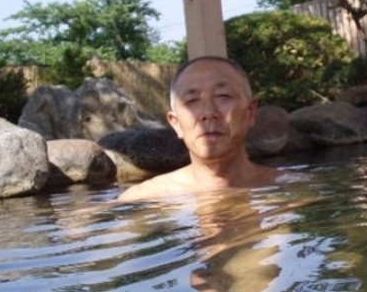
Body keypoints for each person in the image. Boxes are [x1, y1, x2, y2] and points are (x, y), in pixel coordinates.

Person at [117, 56, 281, 201]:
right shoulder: (142, 199)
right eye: (192, 101)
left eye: (223, 96)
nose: (208, 113)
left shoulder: (286, 189)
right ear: (176, 123)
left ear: (250, 113)